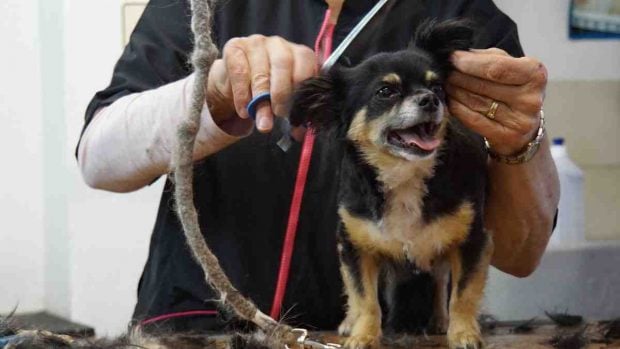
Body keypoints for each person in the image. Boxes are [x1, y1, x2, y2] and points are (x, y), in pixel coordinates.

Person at [76, 0, 560, 333]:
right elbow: (98, 158)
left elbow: (521, 253)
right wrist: (218, 91)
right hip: (197, 328)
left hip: (385, 335)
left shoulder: (460, 18)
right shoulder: (207, 5)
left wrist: (522, 139)